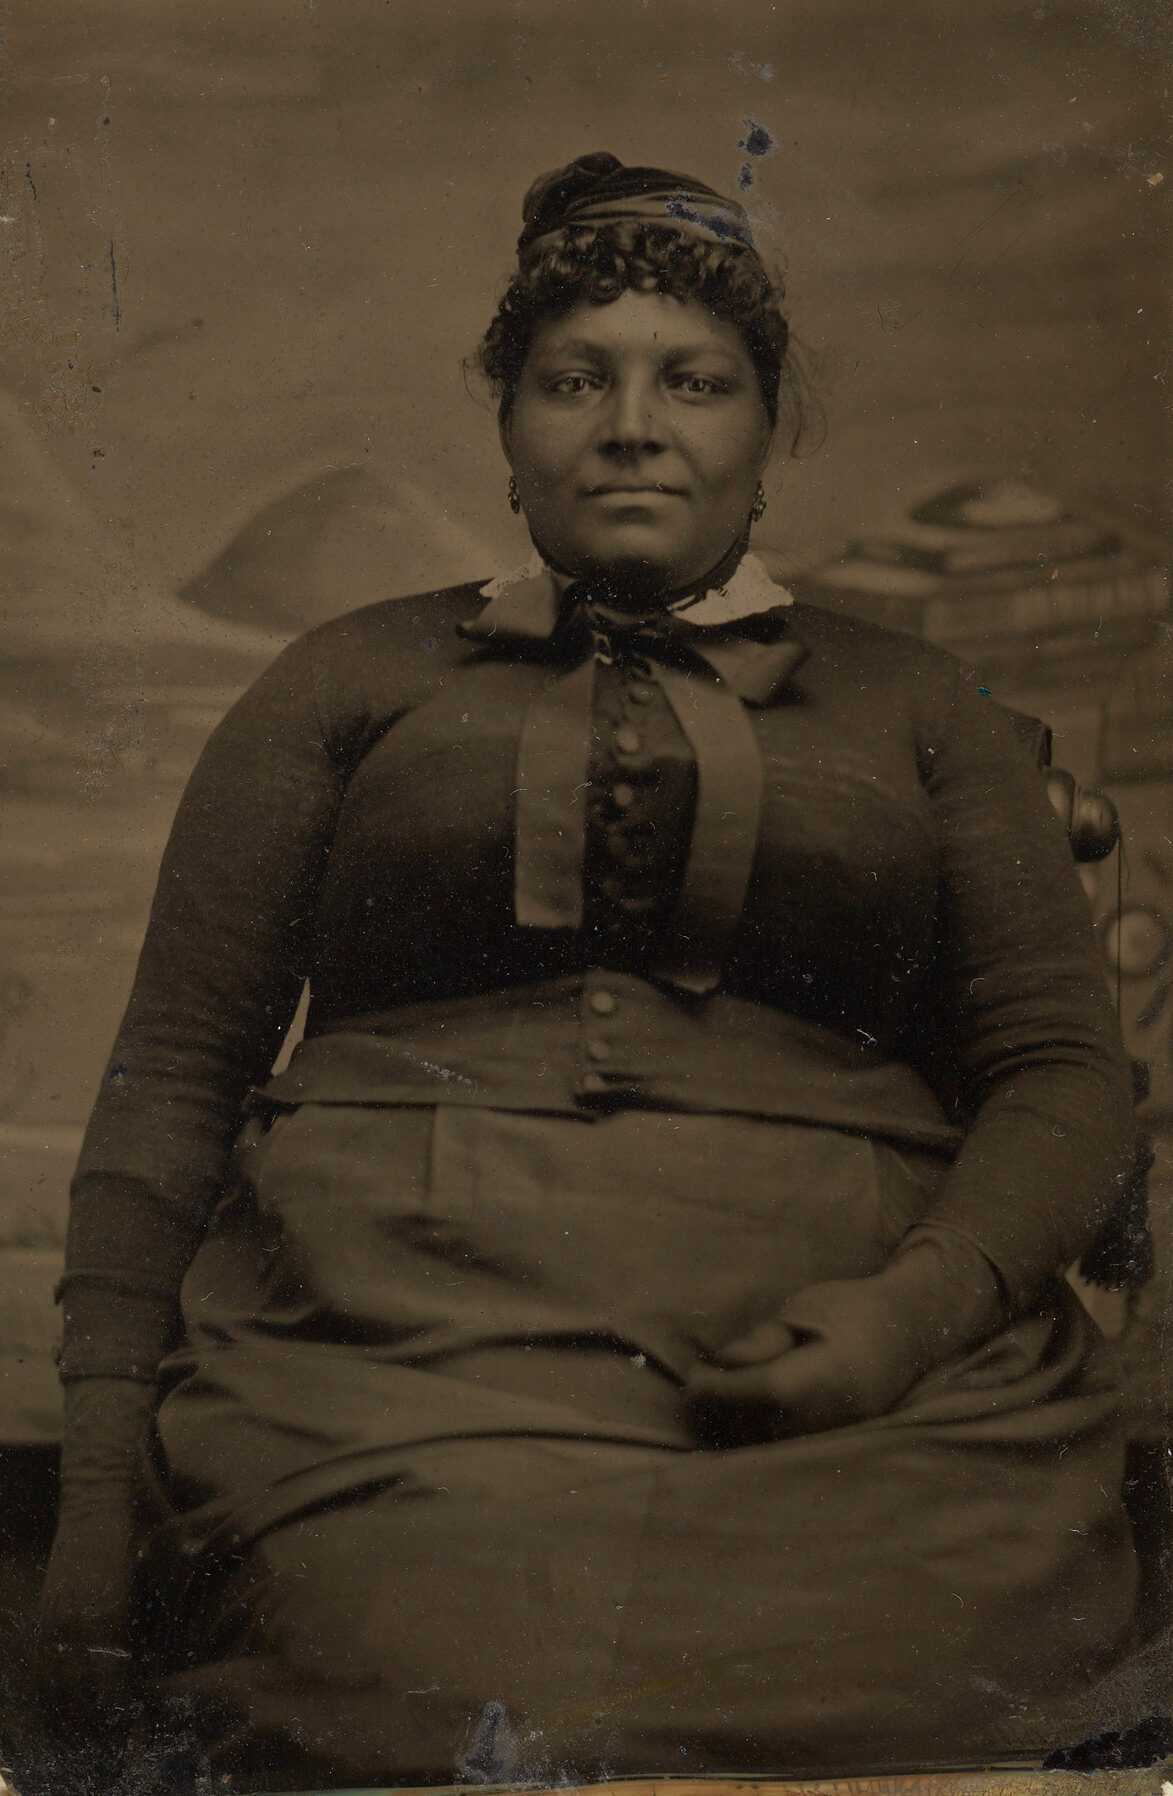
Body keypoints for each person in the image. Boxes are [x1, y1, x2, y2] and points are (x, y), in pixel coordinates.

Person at [35, 152, 1139, 1791]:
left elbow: (1062, 1072)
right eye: (574, 379)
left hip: (867, 1382)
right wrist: (102, 1497)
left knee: (922, 1658)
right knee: (414, 1654)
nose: (632, 424)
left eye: (693, 382)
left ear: (764, 436)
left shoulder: (920, 704)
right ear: (507, 427)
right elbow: (179, 1070)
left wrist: (903, 1321)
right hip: (387, 1359)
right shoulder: (345, 680)